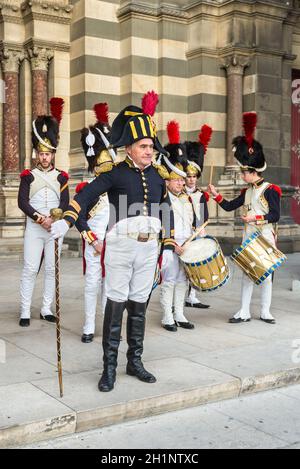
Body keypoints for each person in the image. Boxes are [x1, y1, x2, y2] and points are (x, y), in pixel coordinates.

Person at [51, 91, 176, 392]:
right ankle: (109, 368)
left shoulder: (159, 176)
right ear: (130, 148)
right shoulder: (114, 173)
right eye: (144, 146)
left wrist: (168, 246)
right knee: (116, 304)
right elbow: (85, 196)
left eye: (150, 146)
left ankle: (134, 361)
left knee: (139, 306)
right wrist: (66, 220)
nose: (150, 151)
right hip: (120, 247)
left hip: (148, 248)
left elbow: (166, 208)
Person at [208, 112, 281, 325]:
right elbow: (230, 206)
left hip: (265, 237)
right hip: (249, 237)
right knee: (248, 274)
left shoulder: (271, 190)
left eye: (243, 172)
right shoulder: (246, 190)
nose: (241, 175)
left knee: (266, 275)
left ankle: (266, 311)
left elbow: (275, 215)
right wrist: (216, 195)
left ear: (252, 170)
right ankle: (244, 311)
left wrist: (255, 219)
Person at [18, 98, 69, 327]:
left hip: (54, 229)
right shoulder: (28, 175)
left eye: (48, 154)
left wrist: (54, 219)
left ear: (53, 154)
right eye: (41, 153)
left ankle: (46, 308)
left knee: (51, 269)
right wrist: (40, 218)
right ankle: (24, 310)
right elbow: (22, 202)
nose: (44, 157)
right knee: (30, 268)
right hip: (35, 228)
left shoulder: (62, 177)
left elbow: (66, 204)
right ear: (37, 154)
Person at [75, 103, 113, 343]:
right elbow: (78, 218)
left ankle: (108, 324)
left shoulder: (118, 188)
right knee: (92, 284)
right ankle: (89, 325)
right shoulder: (87, 189)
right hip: (94, 244)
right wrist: (93, 240)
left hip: (114, 243)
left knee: (110, 287)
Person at [184, 124, 213, 309]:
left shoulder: (201, 194)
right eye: (188, 175)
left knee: (195, 264)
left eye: (194, 176)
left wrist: (201, 230)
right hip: (183, 233)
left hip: (197, 232)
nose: (191, 179)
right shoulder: (179, 194)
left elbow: (205, 215)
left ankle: (192, 295)